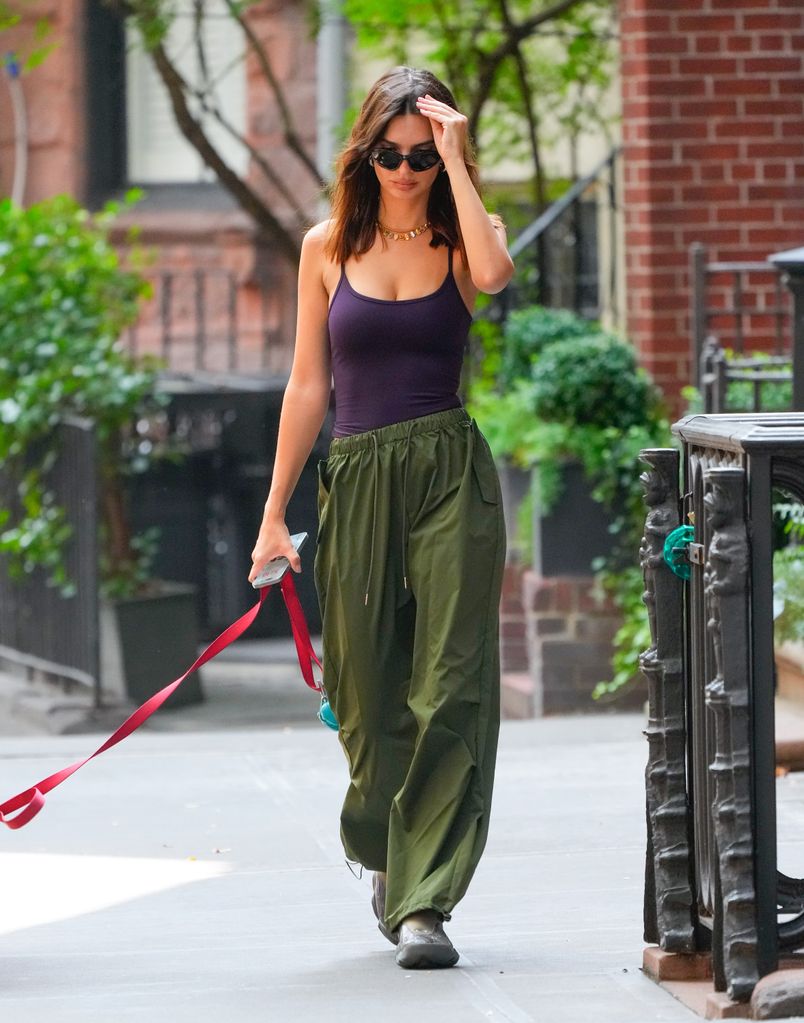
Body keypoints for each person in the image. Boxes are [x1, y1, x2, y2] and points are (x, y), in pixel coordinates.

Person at [249, 65, 514, 969]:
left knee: (449, 678)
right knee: (362, 693)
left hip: (447, 468)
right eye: (390, 153)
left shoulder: (460, 233)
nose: (405, 171)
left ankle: (425, 901)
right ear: (365, 151)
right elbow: (308, 384)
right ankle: (388, 846)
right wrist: (274, 514)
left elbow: (495, 275)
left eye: (421, 155)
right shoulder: (325, 246)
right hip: (357, 477)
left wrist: (458, 158)